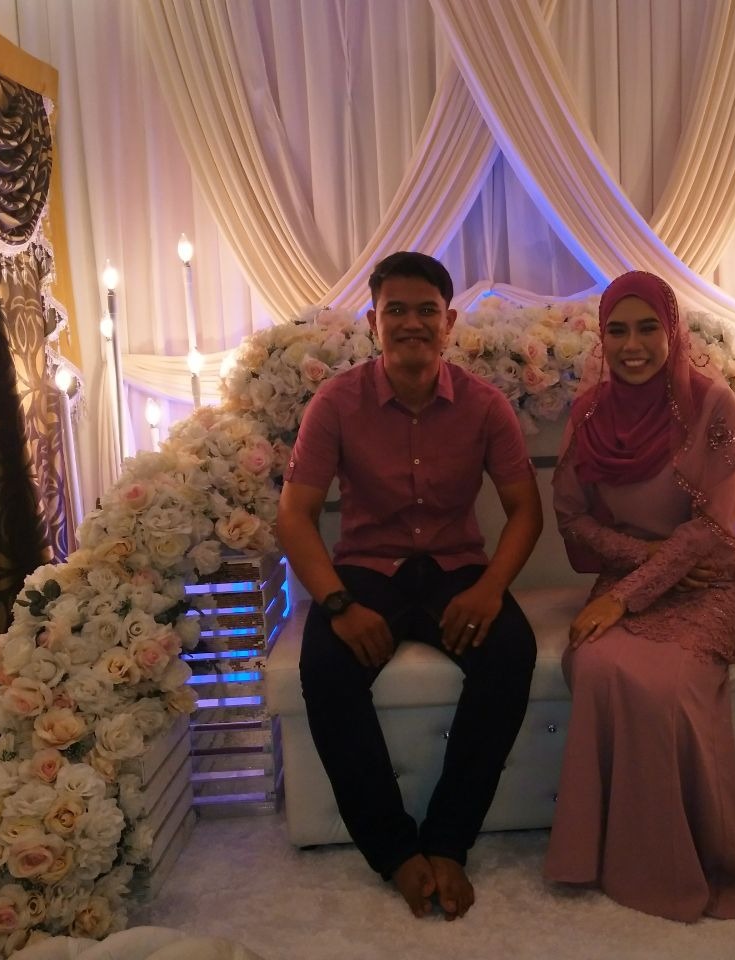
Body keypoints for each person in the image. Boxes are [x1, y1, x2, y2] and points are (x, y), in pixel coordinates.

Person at [275, 251, 543, 921]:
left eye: (427, 310)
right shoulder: (336, 403)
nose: (412, 323)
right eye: (396, 309)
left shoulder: (485, 406)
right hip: (368, 570)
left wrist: (490, 589)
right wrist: (338, 604)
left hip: (456, 569)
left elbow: (525, 511)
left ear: (449, 323)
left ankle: (449, 842)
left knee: (511, 652)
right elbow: (294, 517)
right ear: (374, 321)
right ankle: (394, 851)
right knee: (326, 667)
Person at [542, 270, 735, 922]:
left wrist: (627, 596)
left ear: (672, 331)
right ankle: (606, 856)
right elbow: (572, 519)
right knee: (595, 663)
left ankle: (696, 864)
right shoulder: (590, 414)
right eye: (617, 330)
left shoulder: (712, 406)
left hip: (714, 580)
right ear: (602, 337)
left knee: (670, 684)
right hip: (630, 575)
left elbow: (712, 528)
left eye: (648, 327)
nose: (632, 345)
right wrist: (640, 566)